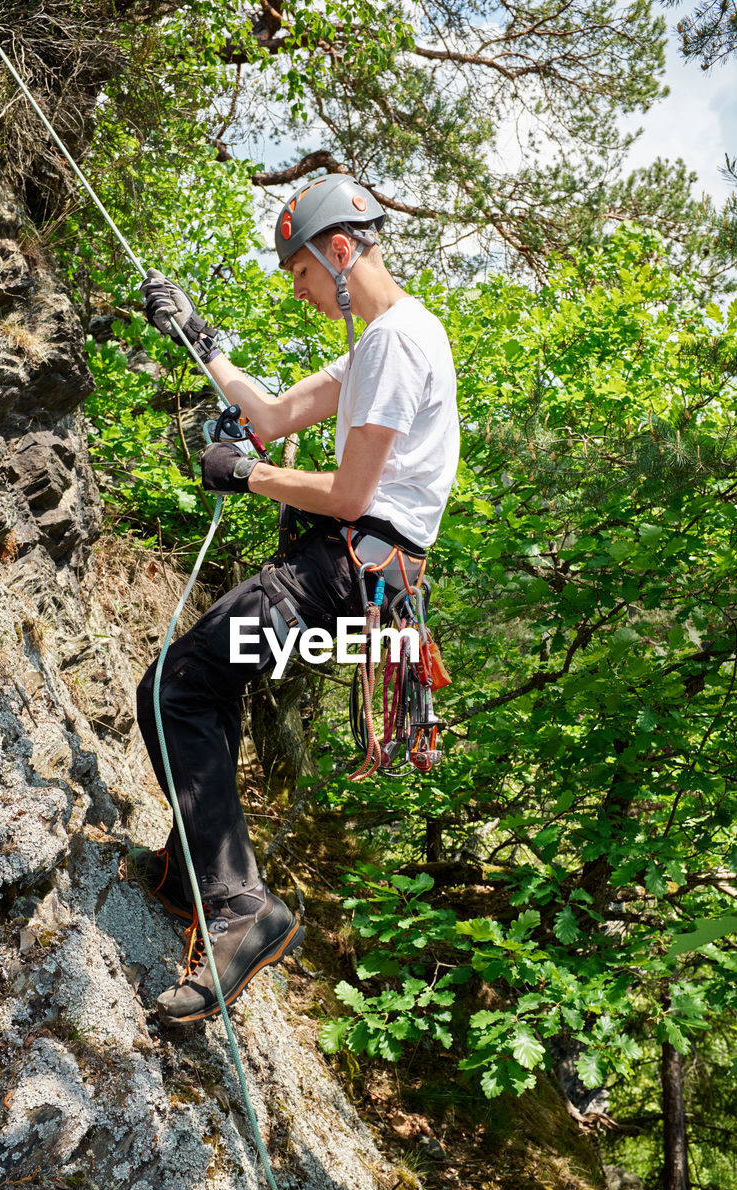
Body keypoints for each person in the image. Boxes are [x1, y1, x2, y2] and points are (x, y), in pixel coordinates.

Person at [135, 174, 459, 1026]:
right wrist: (199, 341)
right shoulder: (377, 346)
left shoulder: (396, 341)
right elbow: (274, 415)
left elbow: (352, 493)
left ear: (340, 251)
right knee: (209, 680)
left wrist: (245, 475)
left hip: (340, 569)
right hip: (355, 580)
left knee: (176, 689)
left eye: (302, 271)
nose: (298, 287)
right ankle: (188, 876)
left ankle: (241, 908)